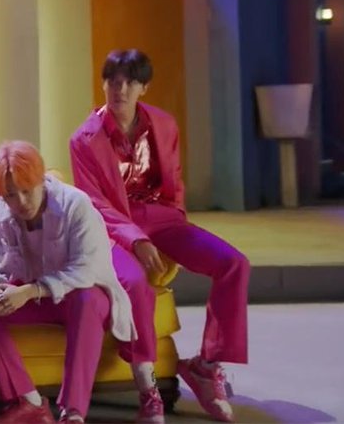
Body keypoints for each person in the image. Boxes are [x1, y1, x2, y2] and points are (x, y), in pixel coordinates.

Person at [71, 50, 249, 423]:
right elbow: (94, 203)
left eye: (129, 82)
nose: (120, 89)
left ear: (144, 87)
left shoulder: (164, 124)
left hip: (163, 218)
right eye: (113, 81)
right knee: (136, 281)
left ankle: (206, 365)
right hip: (115, 225)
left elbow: (175, 180)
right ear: (103, 84)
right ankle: (148, 390)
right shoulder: (84, 139)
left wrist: (176, 218)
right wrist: (134, 237)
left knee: (234, 263)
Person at [0, 141, 147, 424]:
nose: (21, 202)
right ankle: (28, 401)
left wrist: (30, 291)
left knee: (87, 297)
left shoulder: (75, 204)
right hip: (31, 296)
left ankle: (73, 412)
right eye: (11, 195)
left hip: (80, 295)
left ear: (41, 180)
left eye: (27, 191)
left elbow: (86, 269)